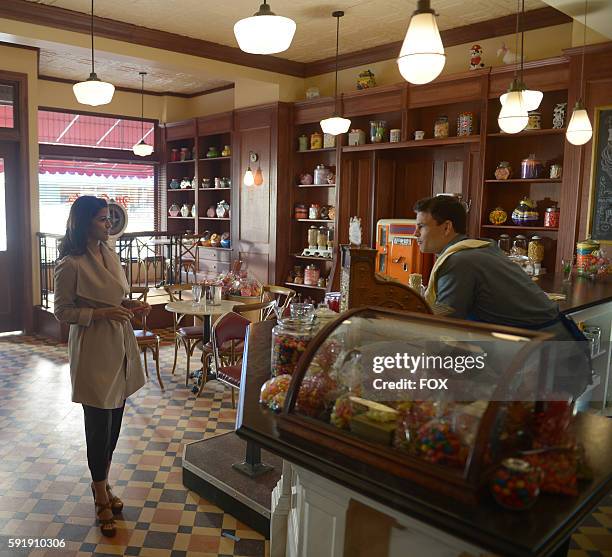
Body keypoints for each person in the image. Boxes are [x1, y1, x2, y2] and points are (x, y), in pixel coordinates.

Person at [413, 195, 591, 398]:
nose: (415, 233)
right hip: (555, 350)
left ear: (446, 227)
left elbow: (445, 326)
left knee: (532, 427)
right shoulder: (480, 247)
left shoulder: (459, 261)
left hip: (541, 363)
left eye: (421, 226)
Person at [54, 196, 149, 537]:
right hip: (94, 349)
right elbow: (62, 312)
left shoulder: (109, 253)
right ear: (83, 223)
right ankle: (99, 491)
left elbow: (113, 295)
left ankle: (103, 480)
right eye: (101, 220)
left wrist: (127, 304)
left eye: (108, 219)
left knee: (114, 423)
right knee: (98, 424)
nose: (108, 225)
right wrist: (102, 314)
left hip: (120, 345)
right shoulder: (70, 264)